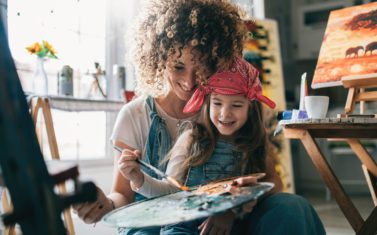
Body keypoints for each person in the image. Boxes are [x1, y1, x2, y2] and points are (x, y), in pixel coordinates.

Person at [73, 0, 247, 234]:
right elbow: (123, 195)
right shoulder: (134, 115)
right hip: (148, 224)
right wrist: (105, 205)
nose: (189, 81)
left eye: (201, 66)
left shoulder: (223, 112)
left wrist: (231, 209)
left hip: (208, 223)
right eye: (178, 67)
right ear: (158, 58)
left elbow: (262, 176)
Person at [118, 58, 325, 235]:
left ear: (250, 109)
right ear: (206, 103)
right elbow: (169, 192)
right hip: (187, 226)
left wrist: (233, 209)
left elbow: (274, 183)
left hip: (234, 225)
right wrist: (138, 179)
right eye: (217, 103)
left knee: (293, 206)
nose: (225, 114)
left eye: (236, 105)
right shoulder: (191, 139)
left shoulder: (253, 143)